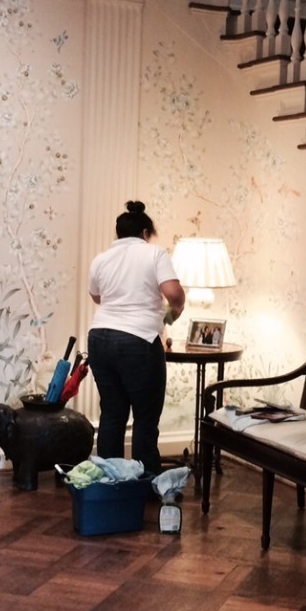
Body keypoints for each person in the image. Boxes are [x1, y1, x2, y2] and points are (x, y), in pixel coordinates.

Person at [87, 200, 185, 474]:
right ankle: (146, 483)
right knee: (145, 417)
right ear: (145, 233)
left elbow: (97, 296)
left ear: (118, 233)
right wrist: (175, 309)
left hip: (100, 339)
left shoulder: (101, 259)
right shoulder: (155, 253)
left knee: (112, 413)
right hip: (138, 341)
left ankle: (111, 482)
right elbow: (173, 294)